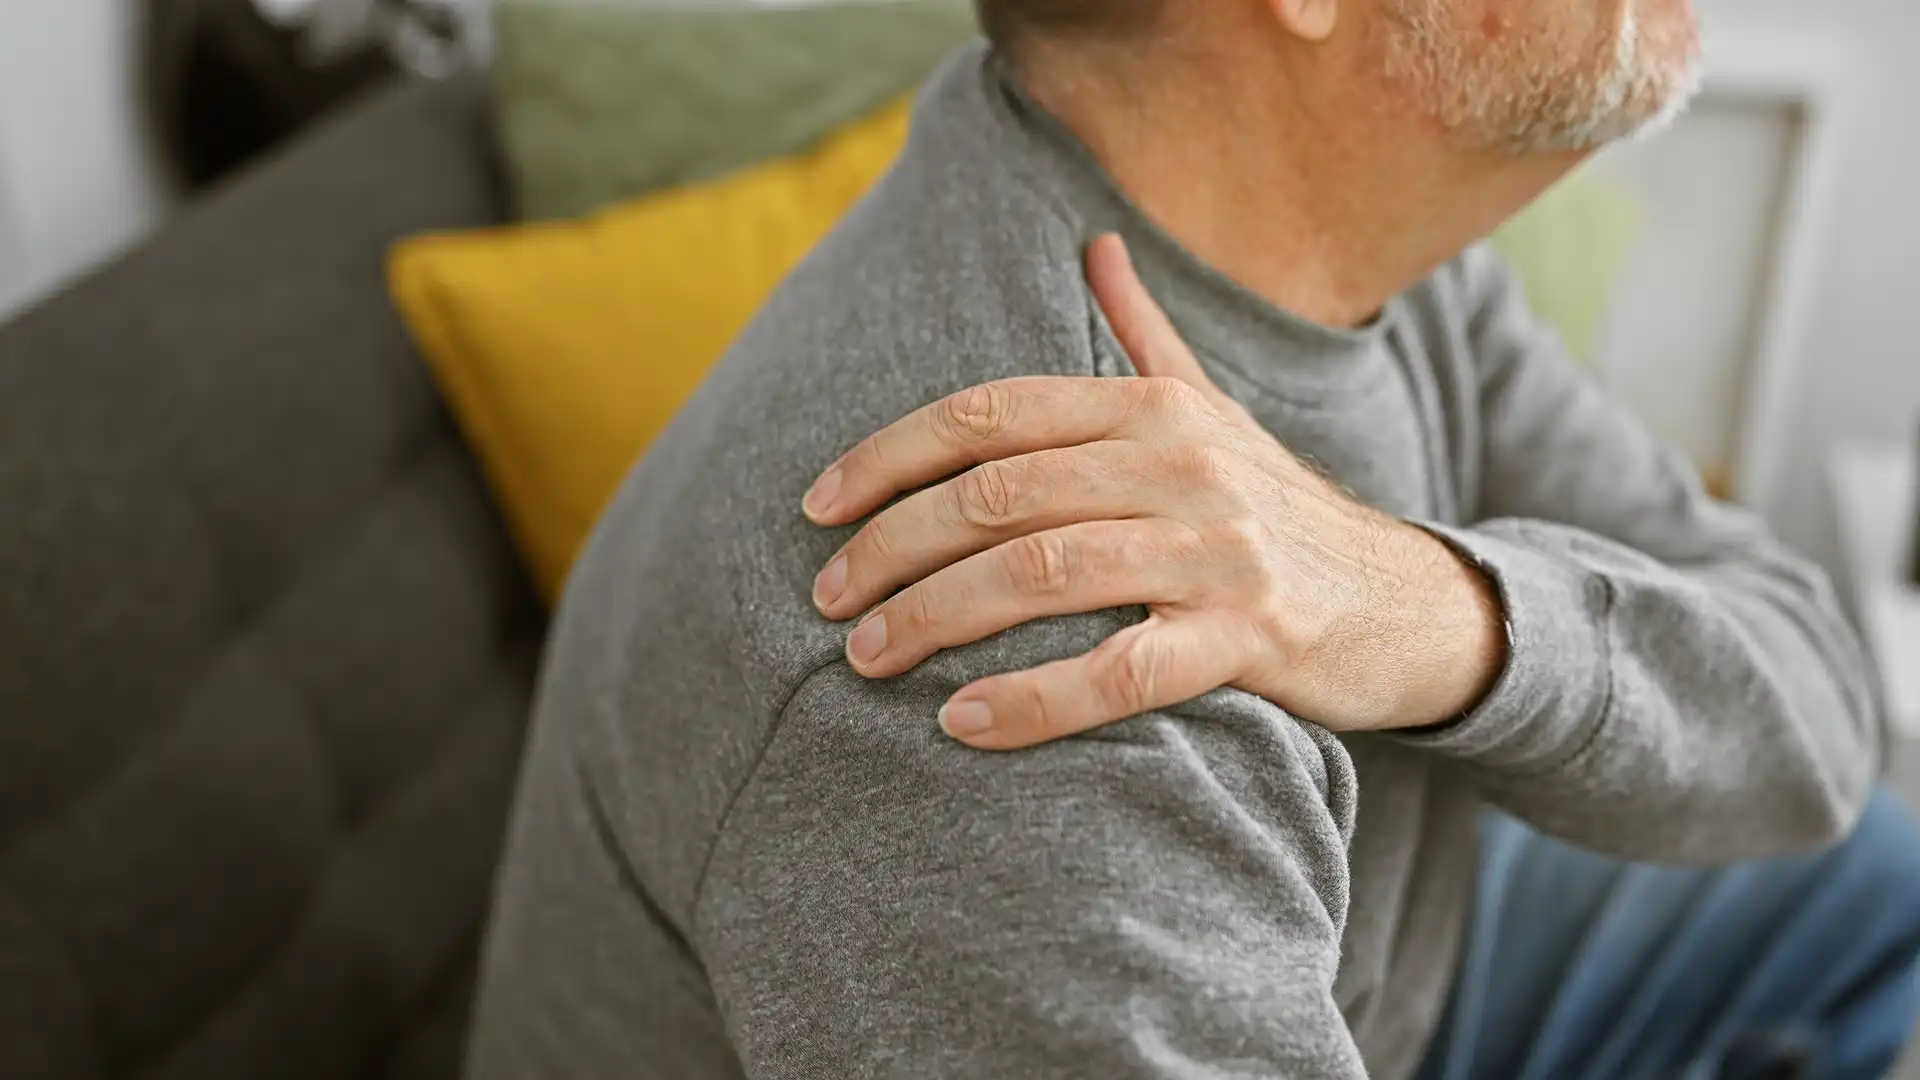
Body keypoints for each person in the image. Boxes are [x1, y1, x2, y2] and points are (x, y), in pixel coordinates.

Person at [466, 1, 1920, 1077]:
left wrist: (1429, 610)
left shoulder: (1373, 257)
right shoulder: (1022, 637)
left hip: (1380, 981)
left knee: (1885, 894)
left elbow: (1816, 717)